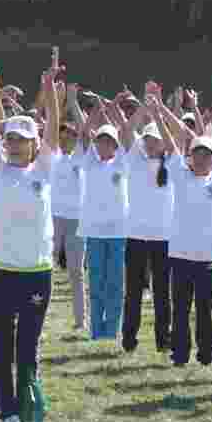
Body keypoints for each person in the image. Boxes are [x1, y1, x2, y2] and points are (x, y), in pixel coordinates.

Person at [0, 52, 61, 422]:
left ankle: (29, 401)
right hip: (1, 269)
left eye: (22, 140)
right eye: (10, 139)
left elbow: (54, 130)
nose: (15, 145)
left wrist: (50, 93)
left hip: (37, 271)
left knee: (27, 346)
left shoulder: (44, 169)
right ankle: (7, 409)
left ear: (33, 144)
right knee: (3, 344)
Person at [148, 96, 212, 368]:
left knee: (205, 311)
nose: (201, 157)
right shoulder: (180, 174)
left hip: (207, 258)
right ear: (190, 156)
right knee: (181, 310)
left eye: (207, 154)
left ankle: (207, 355)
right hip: (181, 256)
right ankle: (180, 355)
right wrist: (158, 111)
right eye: (197, 153)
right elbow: (171, 141)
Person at [121, 85, 174, 356]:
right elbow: (127, 131)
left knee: (163, 294)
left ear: (163, 143)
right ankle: (129, 339)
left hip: (164, 239)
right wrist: (145, 104)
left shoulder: (173, 165)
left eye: (157, 140)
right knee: (133, 293)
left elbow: (176, 139)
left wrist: (160, 111)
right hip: (136, 237)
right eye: (149, 139)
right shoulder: (135, 160)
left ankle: (163, 340)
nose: (152, 143)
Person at [78, 94, 133, 341]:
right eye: (100, 141)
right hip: (94, 232)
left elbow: (126, 133)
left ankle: (111, 331)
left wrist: (112, 107)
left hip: (119, 232)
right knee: (96, 282)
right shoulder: (89, 162)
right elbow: (84, 131)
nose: (103, 145)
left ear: (115, 145)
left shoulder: (122, 162)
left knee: (115, 285)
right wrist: (99, 110)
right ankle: (96, 331)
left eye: (108, 141)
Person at [51, 84, 88, 332]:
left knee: (76, 272)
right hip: (52, 219)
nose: (66, 139)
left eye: (70, 136)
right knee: (44, 268)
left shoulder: (81, 156)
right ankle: (37, 315)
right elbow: (50, 125)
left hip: (76, 220)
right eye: (62, 135)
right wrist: (57, 99)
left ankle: (79, 319)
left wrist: (73, 102)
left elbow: (86, 131)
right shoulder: (51, 155)